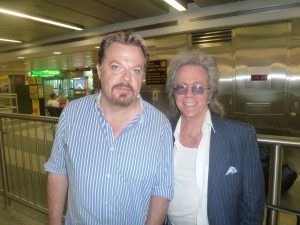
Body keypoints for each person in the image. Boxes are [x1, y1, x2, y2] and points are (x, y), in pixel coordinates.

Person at [44, 31, 173, 225]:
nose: (126, 78)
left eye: (136, 70)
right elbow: (58, 171)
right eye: (116, 67)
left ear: (143, 76)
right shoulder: (72, 114)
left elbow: (162, 190)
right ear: (99, 70)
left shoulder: (160, 126)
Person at [166, 49, 265, 225]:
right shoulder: (162, 133)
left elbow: (253, 203)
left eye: (198, 88)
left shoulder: (241, 137)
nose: (189, 94)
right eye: (181, 87)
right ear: (174, 94)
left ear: (210, 94)